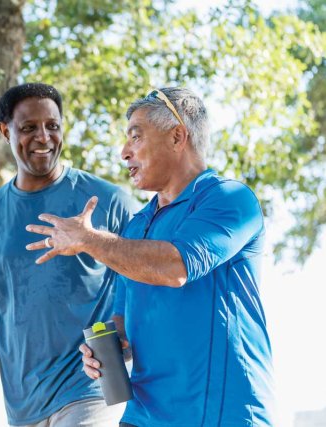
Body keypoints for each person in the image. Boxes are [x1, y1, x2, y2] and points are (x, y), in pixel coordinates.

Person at [26, 87, 275, 427]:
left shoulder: (229, 199)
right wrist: (107, 349)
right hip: (143, 416)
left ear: (177, 136)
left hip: (221, 414)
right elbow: (124, 323)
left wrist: (88, 239)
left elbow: (175, 267)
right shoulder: (136, 225)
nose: (124, 152)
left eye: (136, 137)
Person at [0, 83, 137, 427]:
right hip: (23, 406)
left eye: (52, 126)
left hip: (97, 388)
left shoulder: (107, 201)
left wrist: (129, 346)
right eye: (29, 128)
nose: (43, 137)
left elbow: (147, 286)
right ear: (5, 131)